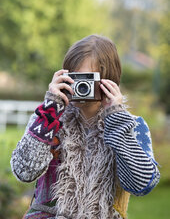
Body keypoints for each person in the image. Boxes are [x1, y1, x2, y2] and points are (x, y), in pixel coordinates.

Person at [11, 35, 160, 219]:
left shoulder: (130, 126)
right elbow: (24, 172)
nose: (80, 86)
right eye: (74, 78)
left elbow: (141, 185)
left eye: (88, 78)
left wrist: (117, 120)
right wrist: (50, 111)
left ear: (108, 81)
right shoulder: (47, 119)